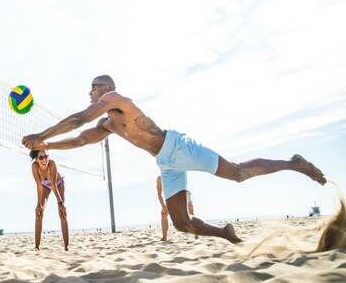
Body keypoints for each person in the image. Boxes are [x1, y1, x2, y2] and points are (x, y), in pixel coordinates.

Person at [22, 75, 326, 243]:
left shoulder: (115, 101)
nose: (89, 93)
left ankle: (294, 163)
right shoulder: (107, 124)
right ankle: (226, 234)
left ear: (105, 89)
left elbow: (78, 120)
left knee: (236, 173)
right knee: (181, 223)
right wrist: (46, 144)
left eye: (93, 88)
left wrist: (41, 134)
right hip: (165, 163)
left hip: (178, 147)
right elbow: (80, 138)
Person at [30, 150, 69, 250]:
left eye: (46, 156)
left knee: (62, 212)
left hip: (58, 184)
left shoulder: (52, 164)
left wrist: (60, 203)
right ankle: (37, 247)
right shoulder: (34, 166)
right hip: (45, 186)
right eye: (41, 157)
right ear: (36, 159)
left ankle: (66, 247)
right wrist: (39, 205)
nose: (44, 159)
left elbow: (53, 185)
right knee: (39, 212)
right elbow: (39, 185)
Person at [157, 176, 197, 241]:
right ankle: (164, 237)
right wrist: (163, 206)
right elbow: (159, 194)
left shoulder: (176, 172)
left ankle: (196, 233)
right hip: (172, 197)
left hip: (183, 193)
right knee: (163, 214)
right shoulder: (160, 179)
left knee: (190, 214)